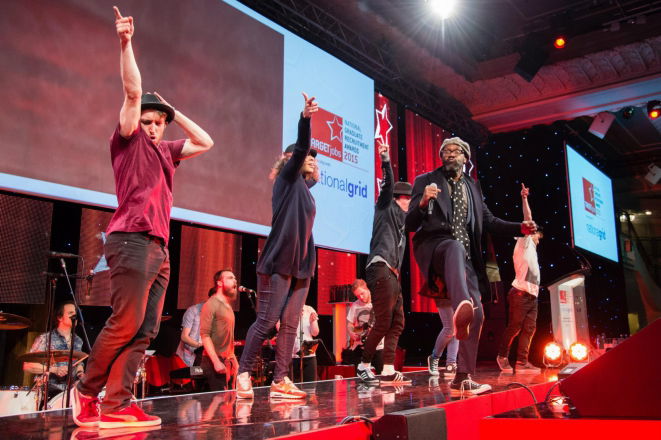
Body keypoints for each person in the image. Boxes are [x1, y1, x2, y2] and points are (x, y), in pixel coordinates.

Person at [71, 7, 214, 429]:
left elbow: (205, 141)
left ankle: (117, 404)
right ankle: (86, 391)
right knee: (126, 322)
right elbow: (133, 94)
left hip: (159, 248)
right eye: (148, 121)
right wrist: (125, 42)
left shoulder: (166, 150)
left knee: (146, 330)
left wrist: (173, 109)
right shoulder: (128, 140)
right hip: (131, 240)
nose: (152, 127)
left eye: (158, 122)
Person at [406, 137, 537, 396]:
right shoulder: (426, 181)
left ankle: (462, 378)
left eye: (456, 151)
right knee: (454, 247)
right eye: (445, 151)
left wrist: (519, 228)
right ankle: (461, 304)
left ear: (466, 158)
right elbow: (410, 223)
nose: (449, 154)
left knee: (478, 315)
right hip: (436, 247)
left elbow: (489, 221)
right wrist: (422, 203)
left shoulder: (473, 187)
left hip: (466, 258)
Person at [236, 93, 319, 400]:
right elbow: (301, 149)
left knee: (290, 325)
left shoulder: (304, 189)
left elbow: (311, 179)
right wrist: (305, 118)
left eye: (313, 157)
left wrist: (314, 173)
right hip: (279, 260)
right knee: (267, 321)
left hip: (302, 265)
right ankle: (243, 373)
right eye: (306, 156)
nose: (310, 158)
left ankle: (280, 381)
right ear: (289, 159)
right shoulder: (286, 179)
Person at [357, 141, 412, 385]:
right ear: (401, 198)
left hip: (392, 274)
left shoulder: (402, 220)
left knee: (397, 322)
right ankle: (363, 365)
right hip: (380, 268)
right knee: (382, 322)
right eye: (409, 199)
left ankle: (388, 369)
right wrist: (386, 161)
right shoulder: (385, 206)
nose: (410, 203)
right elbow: (388, 185)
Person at [497, 184, 543, 373]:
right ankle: (502, 356)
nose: (538, 239)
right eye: (537, 236)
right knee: (514, 328)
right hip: (520, 294)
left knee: (529, 329)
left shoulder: (533, 250)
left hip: (532, 296)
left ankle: (522, 362)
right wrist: (524, 198)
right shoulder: (525, 242)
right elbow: (528, 219)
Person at [23, 301, 84, 402]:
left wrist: (81, 373)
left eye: (75, 313)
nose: (75, 316)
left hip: (71, 392)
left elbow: (79, 363)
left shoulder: (78, 340)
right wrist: (54, 370)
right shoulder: (45, 338)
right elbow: (28, 365)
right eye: (70, 313)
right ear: (60, 317)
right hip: (49, 392)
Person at [200, 269, 239, 391]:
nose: (235, 281)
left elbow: (228, 337)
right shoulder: (211, 304)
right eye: (230, 278)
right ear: (220, 283)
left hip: (228, 360)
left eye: (235, 278)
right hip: (214, 361)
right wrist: (216, 362)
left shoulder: (228, 306)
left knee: (230, 399)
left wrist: (234, 359)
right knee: (220, 400)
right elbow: (205, 335)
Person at [344, 279, 384, 374]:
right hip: (361, 347)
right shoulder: (355, 305)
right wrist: (351, 333)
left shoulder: (378, 302)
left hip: (378, 347)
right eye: (357, 296)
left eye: (362, 293)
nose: (361, 297)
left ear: (367, 289)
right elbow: (349, 324)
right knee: (361, 376)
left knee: (381, 376)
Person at [426, 295, 459, 378]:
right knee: (449, 328)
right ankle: (434, 357)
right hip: (444, 293)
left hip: (457, 292)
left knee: (456, 327)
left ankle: (451, 364)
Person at [290, 304, 320, 382]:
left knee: (310, 385)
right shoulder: (287, 308)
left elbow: (315, 333)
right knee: (293, 386)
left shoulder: (309, 309)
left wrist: (312, 321)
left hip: (309, 354)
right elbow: (280, 329)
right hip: (292, 355)